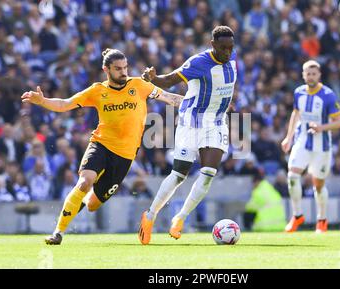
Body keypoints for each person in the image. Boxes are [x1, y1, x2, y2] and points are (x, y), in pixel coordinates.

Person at [21, 48, 184, 245]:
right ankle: (58, 232)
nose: (123, 72)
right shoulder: (97, 91)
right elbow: (65, 104)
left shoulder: (140, 86)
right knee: (84, 181)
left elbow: (171, 99)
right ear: (106, 69)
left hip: (125, 155)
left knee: (91, 204)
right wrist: (43, 101)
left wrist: (201, 106)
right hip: (101, 144)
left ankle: (80, 202)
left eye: (125, 67)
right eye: (118, 69)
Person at [138, 26, 237, 244]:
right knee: (179, 174)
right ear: (212, 45)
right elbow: (169, 80)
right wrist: (153, 78)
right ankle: (150, 215)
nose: (228, 52)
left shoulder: (232, 58)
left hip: (217, 122)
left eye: (231, 48)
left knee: (208, 172)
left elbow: (224, 87)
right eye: (223, 48)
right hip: (191, 122)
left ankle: (180, 218)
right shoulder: (198, 62)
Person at [281, 60, 340, 233]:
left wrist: (321, 128)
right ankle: (297, 215)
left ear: (319, 75)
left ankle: (322, 220)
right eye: (308, 73)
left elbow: (338, 122)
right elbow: (295, 114)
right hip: (302, 141)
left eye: (314, 73)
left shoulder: (328, 95)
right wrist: (288, 137)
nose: (311, 76)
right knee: (292, 175)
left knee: (318, 185)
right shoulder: (298, 93)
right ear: (303, 75)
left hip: (321, 147)